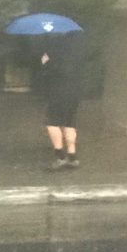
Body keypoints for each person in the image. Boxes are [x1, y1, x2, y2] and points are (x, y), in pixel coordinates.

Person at [41, 32, 83, 171]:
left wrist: (46, 63)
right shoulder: (77, 51)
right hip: (74, 92)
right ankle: (72, 157)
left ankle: (60, 157)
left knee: (52, 123)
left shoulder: (54, 51)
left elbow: (56, 72)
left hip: (58, 92)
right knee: (69, 123)